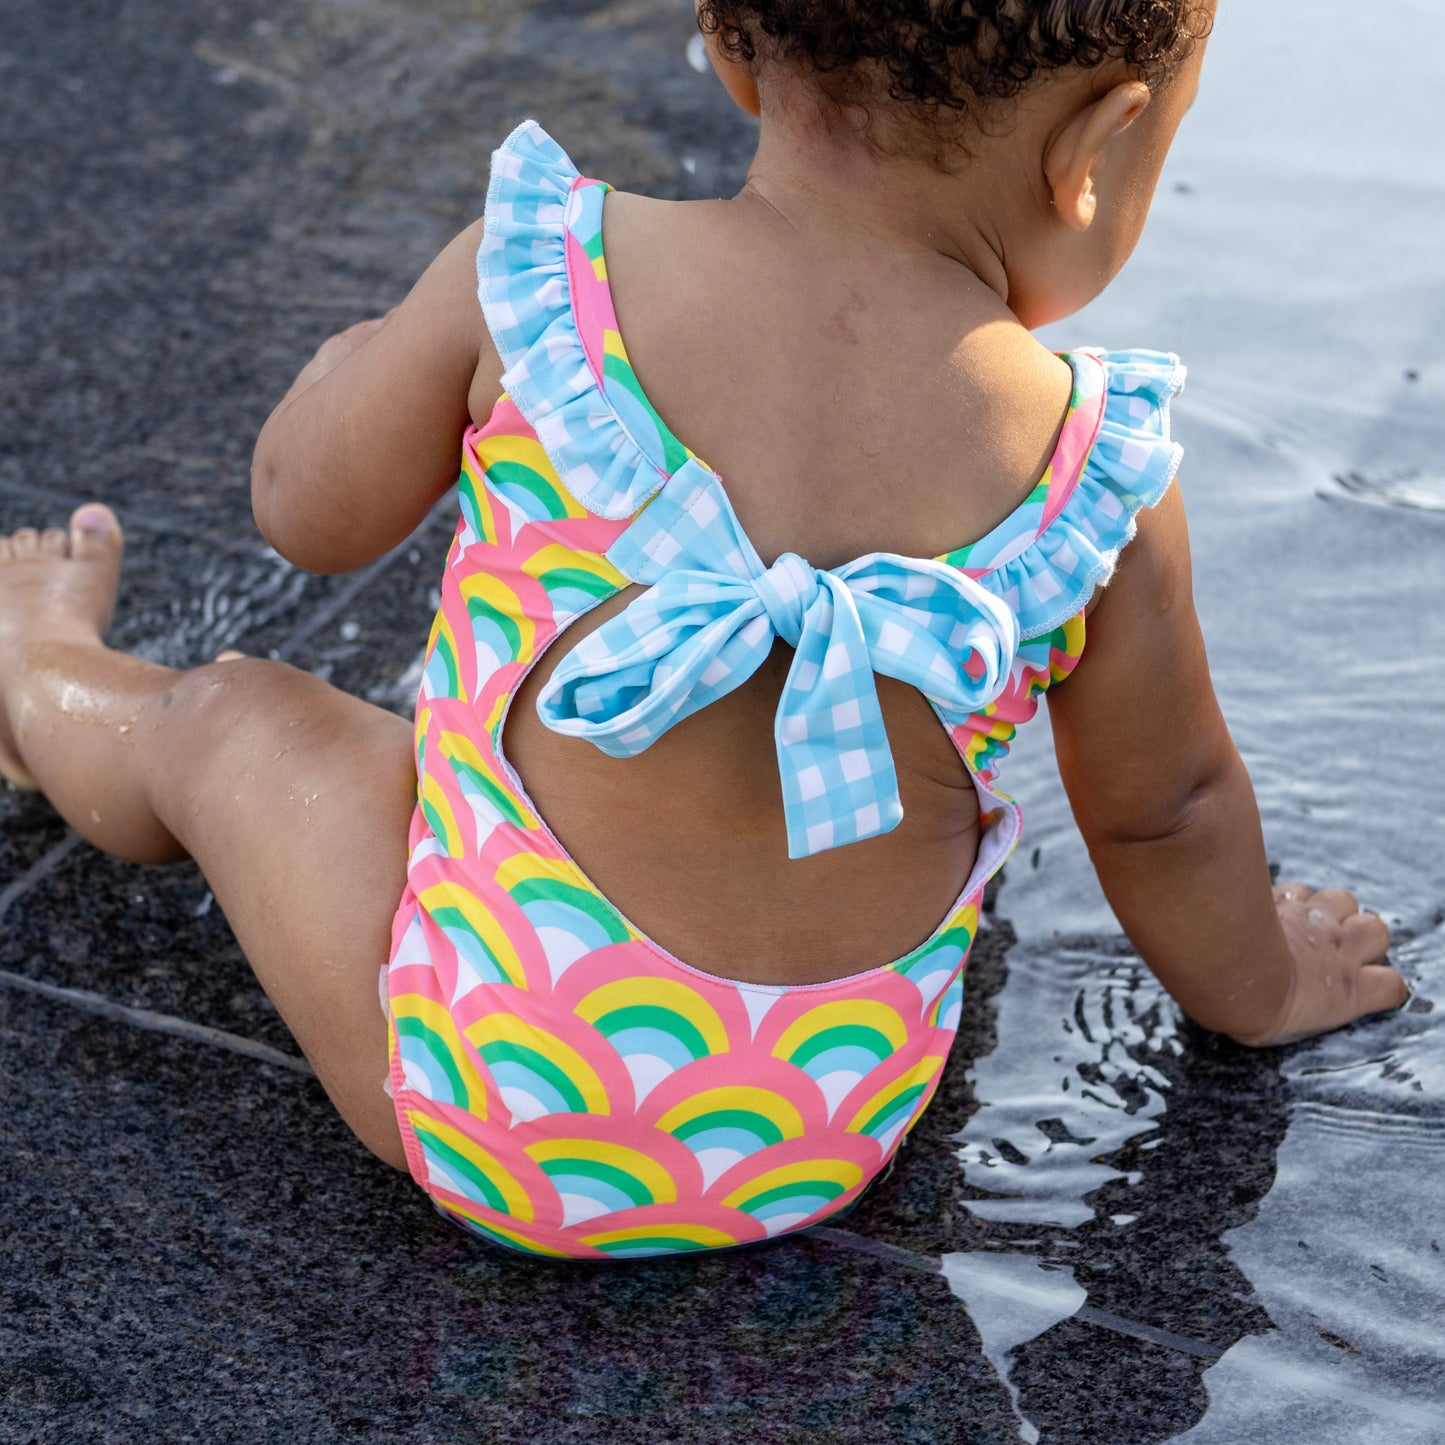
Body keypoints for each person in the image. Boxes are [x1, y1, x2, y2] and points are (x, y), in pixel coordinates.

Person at [0, 0, 1408, 1260]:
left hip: (497, 1112)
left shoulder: (546, 275)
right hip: (823, 1128)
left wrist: (354, 369)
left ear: (728, 39)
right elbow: (1167, 813)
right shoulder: (1082, 469)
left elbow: (301, 513)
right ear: (1100, 140)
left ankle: (42, 672)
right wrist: (1265, 985)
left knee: (235, 714)